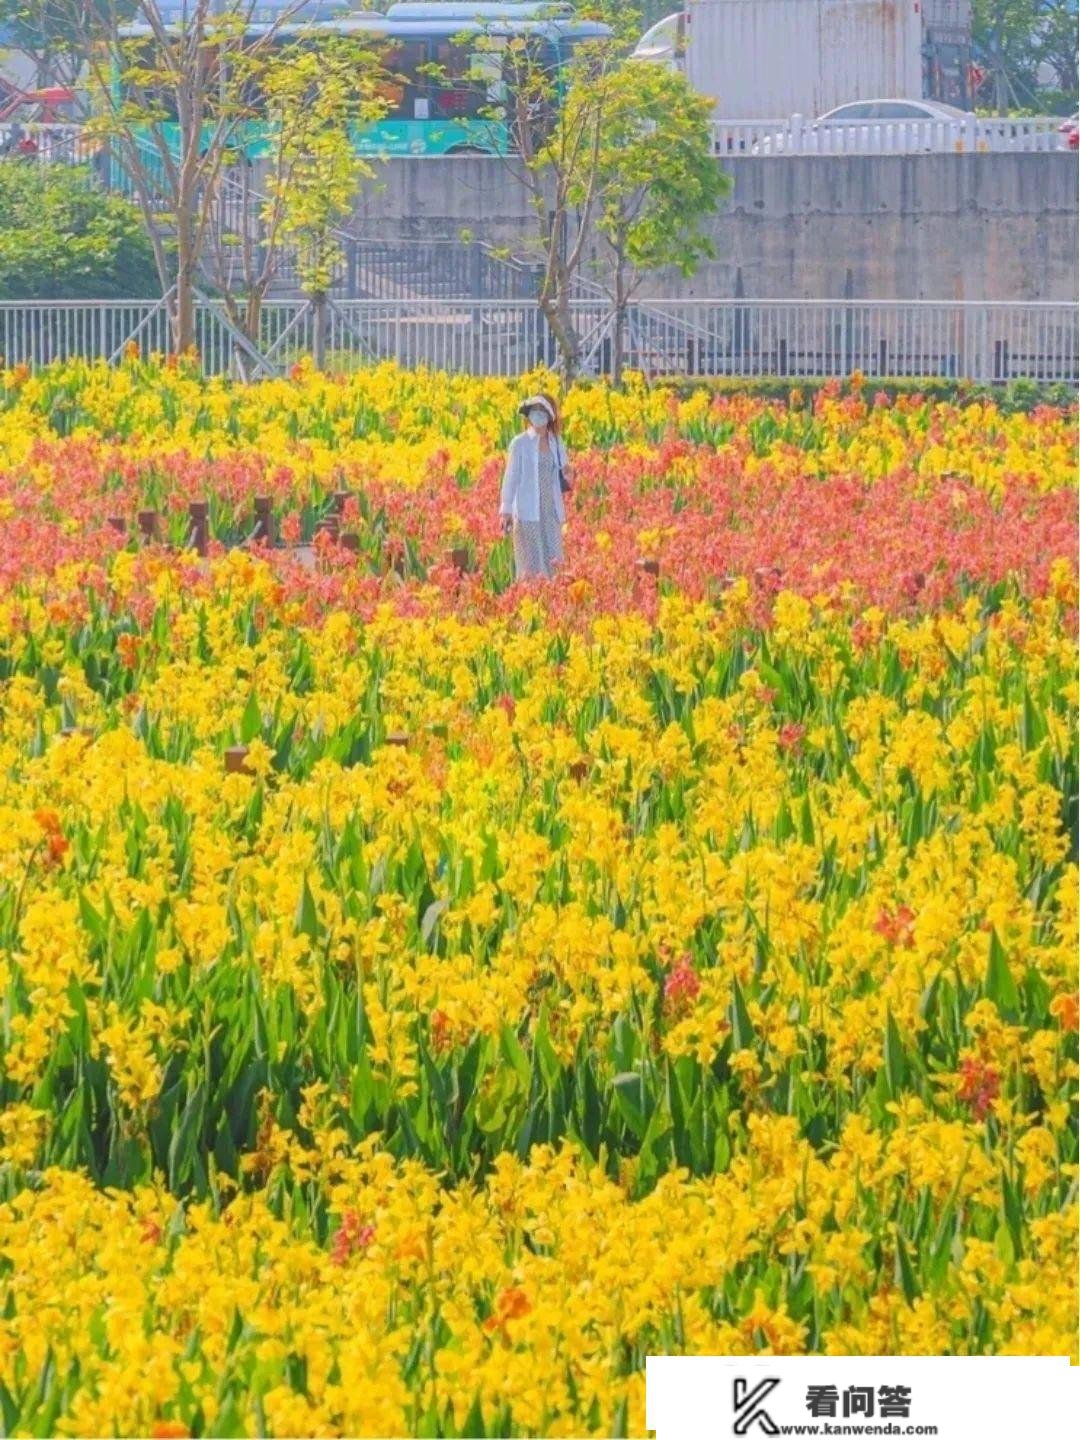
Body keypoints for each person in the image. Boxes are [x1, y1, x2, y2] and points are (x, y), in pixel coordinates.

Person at [499, 392, 571, 581]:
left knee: (554, 560)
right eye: (535, 410)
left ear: (550, 415)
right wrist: (505, 510)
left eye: (542, 410)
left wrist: (569, 474)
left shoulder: (556, 441)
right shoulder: (520, 443)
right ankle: (531, 604)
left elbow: (565, 469)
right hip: (527, 512)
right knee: (531, 565)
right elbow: (511, 477)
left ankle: (553, 604)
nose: (538, 415)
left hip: (550, 511)